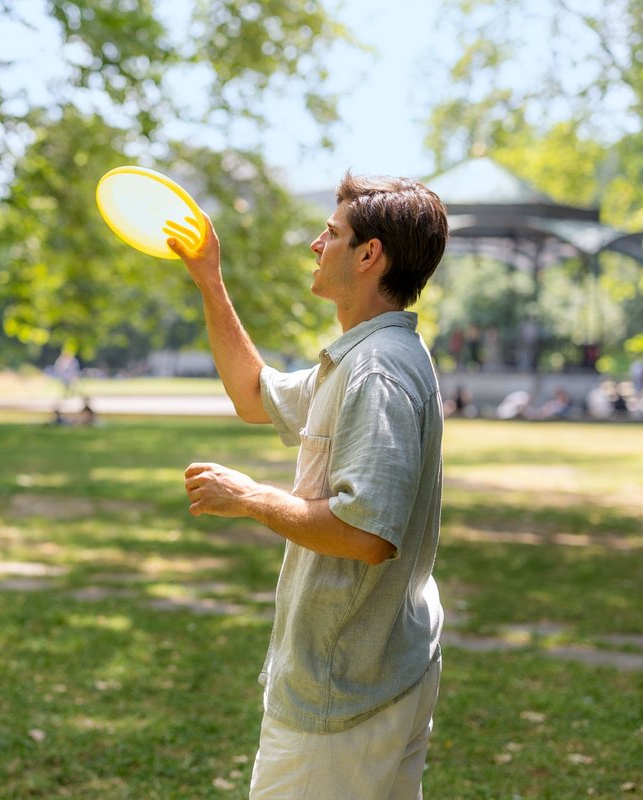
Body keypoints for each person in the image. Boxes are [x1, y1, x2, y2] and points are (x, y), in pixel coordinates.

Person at [170, 172, 448, 799]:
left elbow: (367, 533)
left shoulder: (376, 372)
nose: (316, 246)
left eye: (331, 233)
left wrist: (251, 498)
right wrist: (209, 279)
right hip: (384, 667)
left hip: (344, 687)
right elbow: (253, 394)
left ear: (369, 254)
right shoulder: (358, 359)